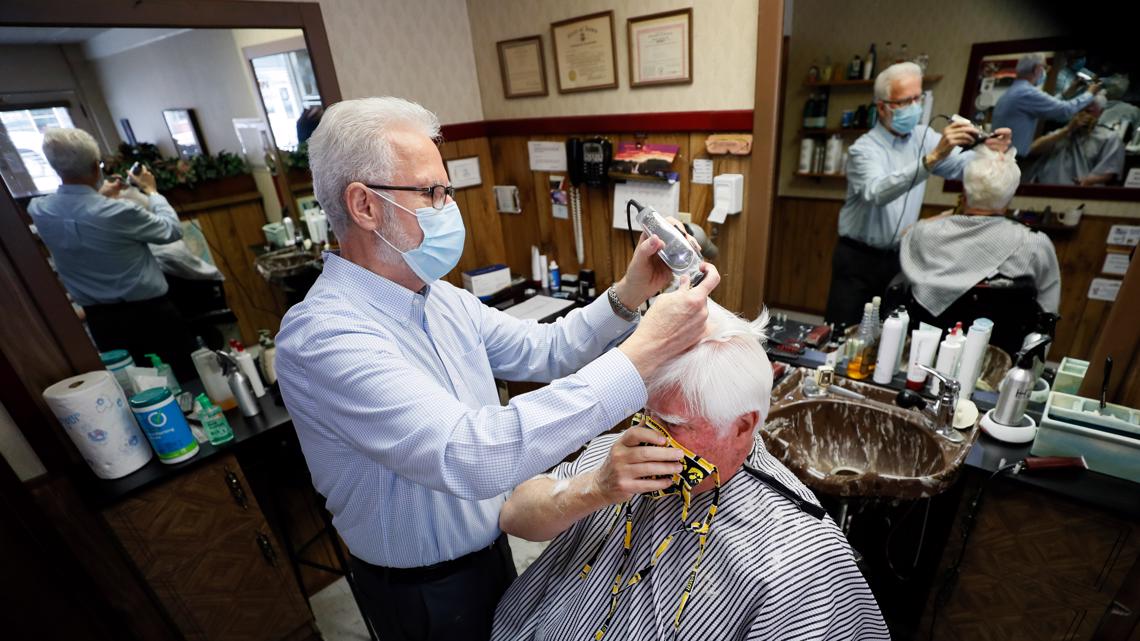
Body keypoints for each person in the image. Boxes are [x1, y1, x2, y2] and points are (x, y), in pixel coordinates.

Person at [273, 97, 721, 641]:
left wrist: (630, 296)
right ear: (364, 206)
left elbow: (549, 349)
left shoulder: (437, 299)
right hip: (420, 591)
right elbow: (472, 454)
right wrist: (643, 353)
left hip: (492, 550)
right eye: (431, 193)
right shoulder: (324, 338)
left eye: (447, 192)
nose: (447, 208)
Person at [492, 302, 889, 641]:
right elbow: (514, 516)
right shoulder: (625, 453)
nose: (649, 434)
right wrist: (594, 489)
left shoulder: (801, 564)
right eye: (647, 413)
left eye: (674, 423)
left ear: (742, 425)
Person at [824, 62, 1010, 328]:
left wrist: (991, 149)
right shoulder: (863, 149)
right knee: (842, 331)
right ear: (882, 107)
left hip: (900, 258)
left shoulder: (924, 137)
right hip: (858, 260)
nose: (914, 106)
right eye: (904, 101)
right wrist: (933, 157)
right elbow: (877, 192)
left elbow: (966, 167)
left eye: (917, 98)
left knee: (887, 334)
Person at [27, 128, 196, 378]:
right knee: (186, 380)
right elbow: (171, 231)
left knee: (133, 390)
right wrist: (152, 192)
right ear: (97, 167)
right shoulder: (120, 212)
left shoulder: (40, 210)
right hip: (152, 317)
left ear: (55, 168)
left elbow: (78, 213)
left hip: (102, 324)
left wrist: (98, 195)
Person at [900, 139, 1060, 321]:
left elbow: (906, 235)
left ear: (965, 192)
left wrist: (952, 212)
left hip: (926, 337)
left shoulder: (924, 234)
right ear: (1010, 196)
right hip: (1001, 344)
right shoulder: (1034, 244)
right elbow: (1048, 312)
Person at [991, 53, 1100, 159]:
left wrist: (1066, 93)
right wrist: (1090, 93)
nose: (1044, 72)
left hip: (1002, 154)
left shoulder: (1015, 91)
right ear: (1037, 69)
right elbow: (1064, 110)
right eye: (1044, 67)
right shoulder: (1027, 93)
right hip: (1010, 158)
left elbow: (1049, 107)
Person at [1025, 94, 1125, 186]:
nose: (1082, 115)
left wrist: (1089, 180)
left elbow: (1108, 172)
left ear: (1100, 112)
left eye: (1088, 111)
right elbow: (1033, 149)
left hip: (1080, 192)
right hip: (1045, 189)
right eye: (1079, 110)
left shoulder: (1109, 137)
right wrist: (1068, 130)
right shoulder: (1063, 132)